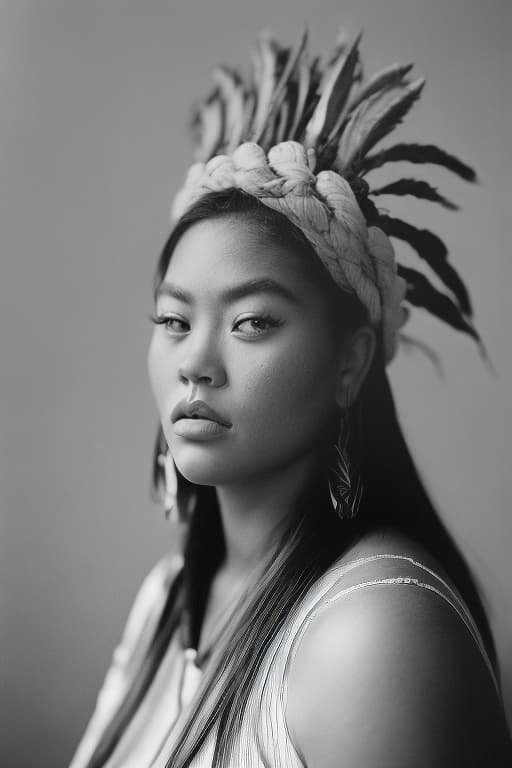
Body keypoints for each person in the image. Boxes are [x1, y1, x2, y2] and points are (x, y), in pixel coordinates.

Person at [69, 26, 512, 768]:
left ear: (351, 362)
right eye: (174, 321)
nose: (195, 363)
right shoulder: (169, 598)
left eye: (253, 323)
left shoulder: (372, 634)